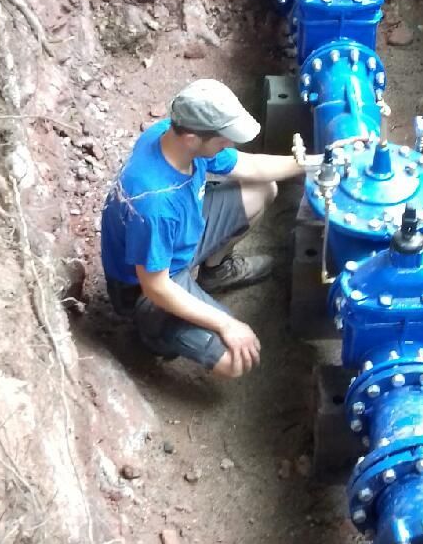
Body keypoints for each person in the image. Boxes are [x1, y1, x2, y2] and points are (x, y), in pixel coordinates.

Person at [101, 78, 306, 380]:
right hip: (149, 288)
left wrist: (314, 162)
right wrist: (226, 324)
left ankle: (215, 272)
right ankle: (154, 334)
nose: (229, 145)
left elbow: (252, 167)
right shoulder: (154, 204)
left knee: (262, 189)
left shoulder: (170, 134)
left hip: (180, 237)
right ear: (192, 139)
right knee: (236, 359)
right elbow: (156, 287)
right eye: (223, 140)